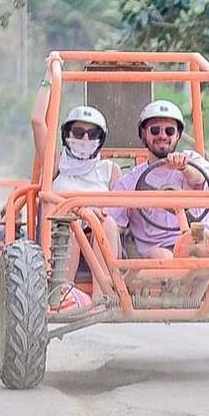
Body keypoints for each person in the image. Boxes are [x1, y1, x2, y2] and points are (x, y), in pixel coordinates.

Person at [106, 100, 209, 307]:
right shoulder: (131, 181)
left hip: (199, 237)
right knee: (160, 256)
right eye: (155, 130)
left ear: (178, 135)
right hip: (161, 247)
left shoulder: (191, 160)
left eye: (169, 130)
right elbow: (111, 221)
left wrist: (184, 167)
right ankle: (169, 305)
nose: (162, 135)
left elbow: (199, 177)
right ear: (143, 134)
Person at [49, 105, 122, 307]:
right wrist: (48, 86)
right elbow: (38, 123)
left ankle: (102, 296)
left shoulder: (109, 170)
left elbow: (120, 213)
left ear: (101, 138)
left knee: (107, 223)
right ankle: (62, 294)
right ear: (67, 134)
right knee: (71, 223)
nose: (85, 139)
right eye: (79, 132)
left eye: (92, 134)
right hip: (62, 230)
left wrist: (96, 212)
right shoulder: (56, 164)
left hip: (98, 233)